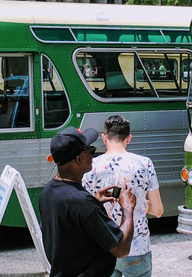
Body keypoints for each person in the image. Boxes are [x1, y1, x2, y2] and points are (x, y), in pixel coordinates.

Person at [40, 127, 137, 277]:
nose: (93, 155)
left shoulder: (48, 191)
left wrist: (95, 202)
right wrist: (128, 209)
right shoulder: (83, 204)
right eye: (90, 150)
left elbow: (69, 231)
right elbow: (121, 249)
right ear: (78, 159)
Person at [82, 116, 162, 277]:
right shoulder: (144, 164)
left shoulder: (91, 167)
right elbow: (158, 211)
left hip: (103, 247)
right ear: (129, 138)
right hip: (137, 247)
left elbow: (86, 207)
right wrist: (141, 204)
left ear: (104, 138)